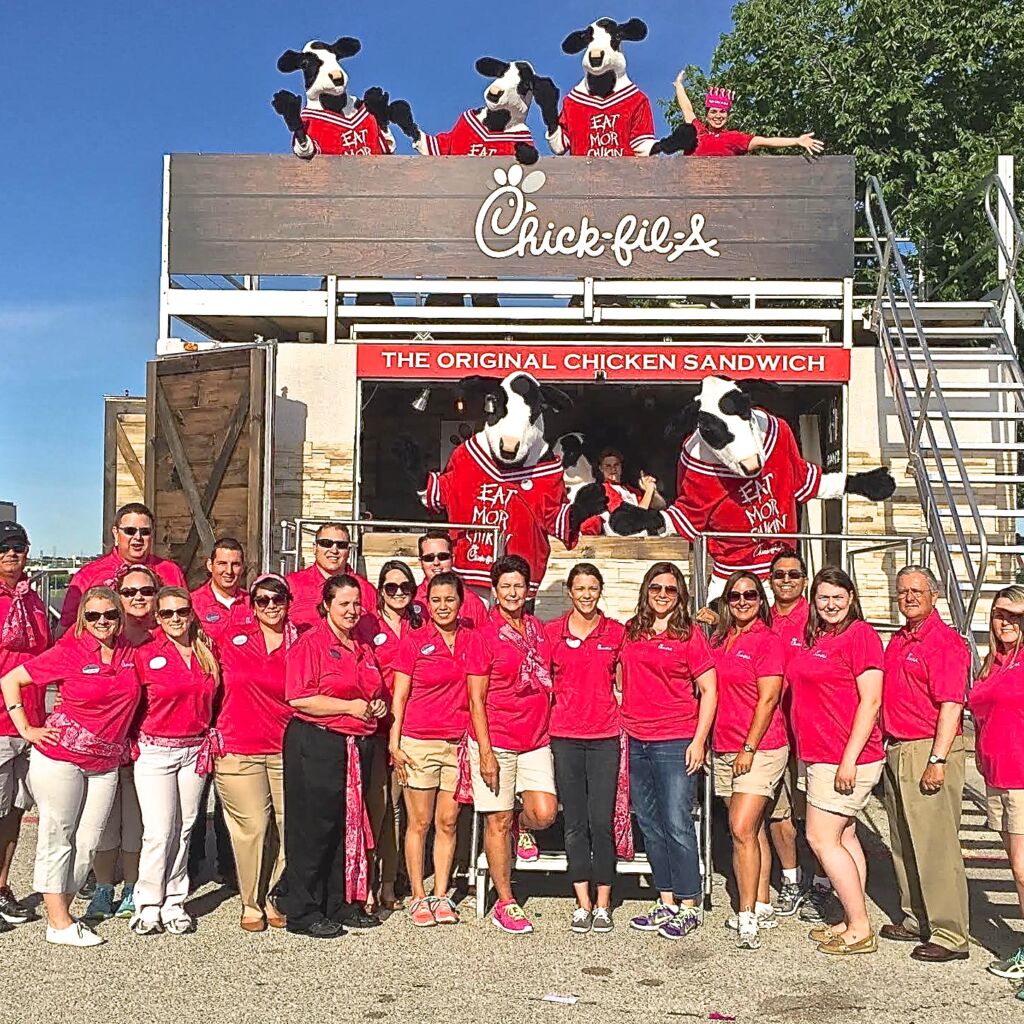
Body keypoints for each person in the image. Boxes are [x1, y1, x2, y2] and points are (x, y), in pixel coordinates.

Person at [1, 586, 141, 946]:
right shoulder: (70, 650)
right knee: (57, 834)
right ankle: (58, 921)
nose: (102, 622)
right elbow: (11, 679)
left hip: (105, 760)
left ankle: (61, 908)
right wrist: (27, 729)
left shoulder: (129, 651)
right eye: (93, 616)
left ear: (119, 616)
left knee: (89, 841)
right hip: (60, 757)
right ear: (83, 618)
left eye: (109, 614)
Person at [282, 574, 387, 938]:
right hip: (317, 743)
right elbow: (298, 697)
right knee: (314, 828)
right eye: (343, 603)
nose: (352, 610)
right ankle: (302, 909)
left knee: (347, 826)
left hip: (355, 745)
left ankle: (339, 903)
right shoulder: (310, 644)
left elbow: (370, 689)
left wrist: (373, 705)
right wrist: (351, 706)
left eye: (356, 604)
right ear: (326, 605)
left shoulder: (360, 644)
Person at [786, 567, 884, 955]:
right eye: (823, 597)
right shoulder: (821, 635)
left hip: (844, 757)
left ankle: (860, 928)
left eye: (838, 597)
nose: (830, 604)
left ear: (851, 597)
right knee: (844, 837)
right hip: (817, 753)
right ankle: (851, 915)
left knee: (820, 838)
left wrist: (849, 760)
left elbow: (871, 701)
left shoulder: (860, 635)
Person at [619, 561, 717, 940]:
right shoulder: (633, 632)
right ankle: (666, 900)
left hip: (674, 738)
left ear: (680, 595)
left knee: (678, 823)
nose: (662, 595)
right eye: (656, 588)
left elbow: (709, 690)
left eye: (670, 589)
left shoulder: (690, 635)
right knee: (649, 822)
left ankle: (689, 903)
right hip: (635, 736)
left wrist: (698, 739)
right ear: (646, 590)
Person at [880, 565, 971, 963]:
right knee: (903, 840)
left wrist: (937, 759)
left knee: (935, 845)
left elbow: (951, 706)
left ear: (934, 595)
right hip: (898, 746)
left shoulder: (945, 642)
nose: (909, 597)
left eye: (917, 590)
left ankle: (950, 933)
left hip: (927, 748)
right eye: (903, 592)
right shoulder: (899, 640)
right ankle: (918, 917)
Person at [465, 554, 558, 935]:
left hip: (535, 737)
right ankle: (506, 900)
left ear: (528, 589)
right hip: (497, 738)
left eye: (519, 585)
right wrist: (485, 752)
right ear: (494, 591)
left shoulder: (539, 629)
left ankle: (525, 827)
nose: (513, 592)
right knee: (497, 820)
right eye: (505, 586)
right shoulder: (483, 636)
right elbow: (475, 699)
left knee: (544, 812)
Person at [130, 587, 219, 936]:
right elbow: (129, 700)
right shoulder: (145, 654)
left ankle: (174, 900)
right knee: (158, 831)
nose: (175, 619)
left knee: (186, 827)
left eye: (181, 611)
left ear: (191, 612)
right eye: (167, 613)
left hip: (194, 749)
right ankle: (147, 903)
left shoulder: (206, 652)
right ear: (158, 617)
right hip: (155, 750)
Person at [390, 570, 477, 927]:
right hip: (419, 740)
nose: (443, 606)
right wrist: (394, 743)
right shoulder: (414, 639)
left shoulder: (471, 639)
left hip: (456, 742)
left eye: (450, 599)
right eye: (436, 600)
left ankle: (441, 894)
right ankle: (417, 895)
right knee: (420, 822)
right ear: (427, 603)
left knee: (448, 821)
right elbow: (399, 694)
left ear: (461, 601)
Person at [544, 563, 625, 934]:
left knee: (601, 821)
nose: (587, 594)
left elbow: (626, 680)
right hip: (565, 736)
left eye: (593, 588)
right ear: (570, 593)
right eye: (580, 588)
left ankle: (605, 903)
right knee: (574, 823)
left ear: (600, 590)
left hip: (605, 737)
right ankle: (582, 902)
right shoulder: (552, 634)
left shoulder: (617, 633)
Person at [215, 573, 297, 932]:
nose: (270, 606)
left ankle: (275, 894)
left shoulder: (301, 642)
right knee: (252, 827)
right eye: (262, 599)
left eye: (277, 598)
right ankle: (251, 900)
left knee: (287, 826)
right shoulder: (230, 640)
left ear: (288, 602)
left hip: (287, 747)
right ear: (252, 606)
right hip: (239, 747)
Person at [710, 571, 786, 950]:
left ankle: (747, 915)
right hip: (723, 746)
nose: (742, 601)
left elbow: (768, 699)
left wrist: (749, 747)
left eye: (750, 595)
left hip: (760, 747)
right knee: (752, 829)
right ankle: (762, 901)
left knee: (740, 828)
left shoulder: (767, 641)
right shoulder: (722, 638)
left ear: (761, 600)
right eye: (735, 595)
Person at [84, 565, 161, 923]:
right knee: (104, 820)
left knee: (137, 822)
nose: (138, 598)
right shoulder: (101, 636)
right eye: (129, 593)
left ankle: (132, 885)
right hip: (105, 745)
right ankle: (103, 886)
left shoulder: (166, 635)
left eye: (146, 590)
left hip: (146, 745)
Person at [764, 550, 834, 923]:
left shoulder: (819, 618)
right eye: (779, 574)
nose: (786, 579)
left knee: (820, 815)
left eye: (794, 573)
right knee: (779, 813)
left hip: (814, 731)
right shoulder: (761, 615)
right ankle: (791, 879)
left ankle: (823, 883)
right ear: (770, 580)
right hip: (774, 731)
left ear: (804, 580)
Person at [358, 560, 425, 915]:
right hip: (376, 729)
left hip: (412, 730)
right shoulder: (368, 624)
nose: (398, 593)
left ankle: (389, 881)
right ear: (380, 590)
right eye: (390, 587)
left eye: (405, 588)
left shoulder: (422, 624)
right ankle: (365, 880)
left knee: (399, 811)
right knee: (375, 807)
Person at [968, 586, 1024, 1001]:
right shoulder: (993, 663)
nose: (1007, 622)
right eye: (1001, 614)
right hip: (996, 777)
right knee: (1017, 871)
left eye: (1017, 616)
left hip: (1022, 779)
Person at [0, 521, 51, 929]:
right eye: (4, 548)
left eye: (18, 547)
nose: (12, 554)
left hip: (29, 720)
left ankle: (1, 887)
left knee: (14, 811)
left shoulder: (32, 600)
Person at [58, 503, 186, 635]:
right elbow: (66, 629)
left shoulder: (171, 571)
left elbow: (187, 616)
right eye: (130, 531)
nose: (138, 537)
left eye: (145, 532)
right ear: (115, 533)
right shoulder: (88, 576)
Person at [673, 72, 825, 157]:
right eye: (713, 111)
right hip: (692, 195)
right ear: (706, 115)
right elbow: (687, 109)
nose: (718, 116)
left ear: (728, 115)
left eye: (722, 112)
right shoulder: (697, 131)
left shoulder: (734, 138)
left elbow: (767, 141)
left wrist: (797, 141)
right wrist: (679, 85)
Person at [286, 523, 376, 631]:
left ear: (349, 551)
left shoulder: (366, 590)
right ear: (315, 548)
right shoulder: (292, 585)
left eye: (341, 545)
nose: (334, 550)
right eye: (326, 543)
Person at [413, 530, 488, 627]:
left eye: (443, 556)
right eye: (429, 558)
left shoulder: (473, 602)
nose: (436, 563)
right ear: (420, 562)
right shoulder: (411, 600)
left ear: (453, 559)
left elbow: (486, 639)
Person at [190, 537, 253, 642]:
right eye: (222, 563)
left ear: (243, 567)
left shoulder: (252, 603)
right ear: (210, 565)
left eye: (235, 564)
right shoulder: (193, 603)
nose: (229, 571)